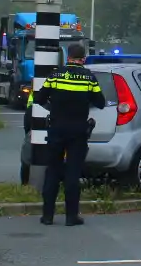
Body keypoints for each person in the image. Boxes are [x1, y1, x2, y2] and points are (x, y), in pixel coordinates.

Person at [33, 42, 106, 226]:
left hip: (56, 128)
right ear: (83, 59)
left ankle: (47, 216)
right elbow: (101, 102)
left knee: (53, 170)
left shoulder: (55, 75)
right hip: (78, 130)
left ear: (68, 57)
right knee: (73, 173)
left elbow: (39, 98)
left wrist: (53, 108)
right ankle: (71, 216)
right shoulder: (89, 78)